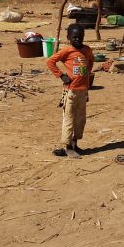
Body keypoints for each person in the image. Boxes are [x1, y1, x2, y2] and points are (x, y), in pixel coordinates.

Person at [46, 24, 95, 159]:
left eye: (80, 37)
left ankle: (75, 143)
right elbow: (50, 62)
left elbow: (91, 60)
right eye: (74, 37)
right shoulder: (66, 51)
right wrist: (61, 75)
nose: (78, 40)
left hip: (83, 91)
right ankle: (67, 146)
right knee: (69, 119)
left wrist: (88, 73)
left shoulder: (87, 50)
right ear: (68, 37)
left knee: (80, 119)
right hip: (71, 91)